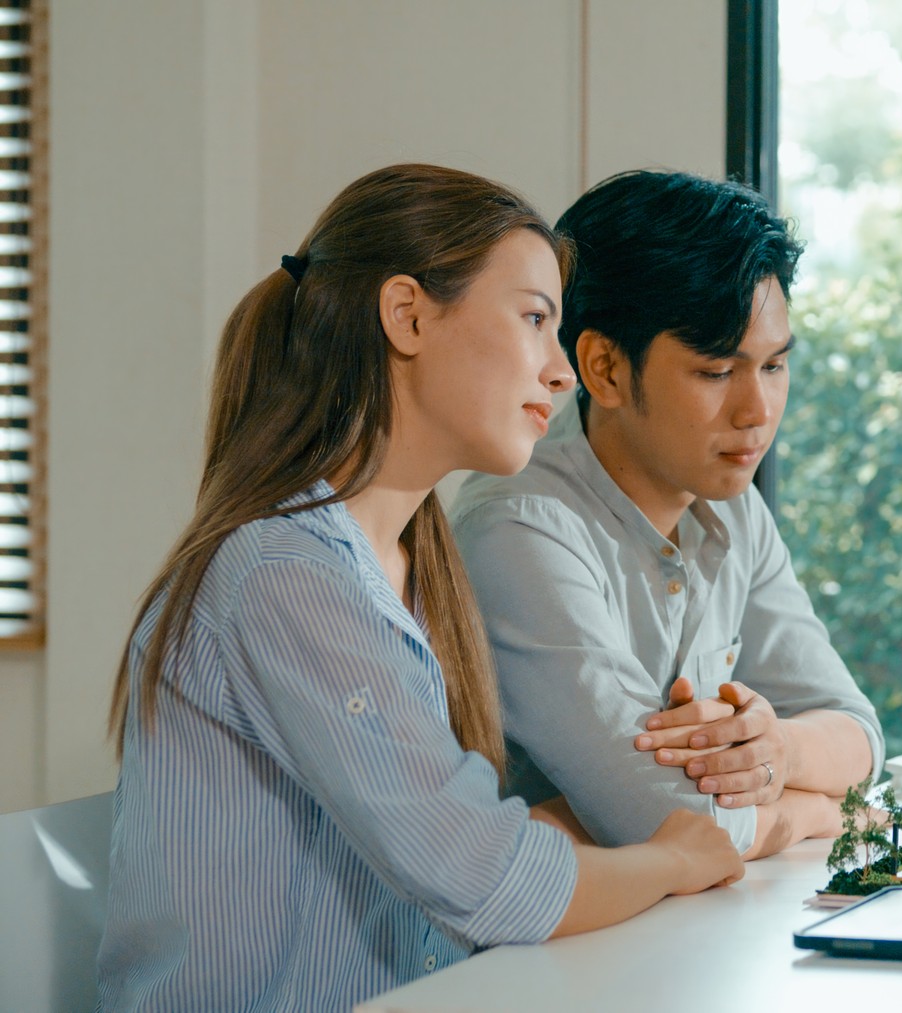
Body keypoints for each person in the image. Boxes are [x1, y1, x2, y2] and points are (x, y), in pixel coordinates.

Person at [98, 164, 744, 1011]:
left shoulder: (403, 564)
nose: (561, 372)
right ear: (407, 315)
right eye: (535, 320)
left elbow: (464, 842)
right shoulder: (284, 572)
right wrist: (677, 857)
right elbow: (486, 876)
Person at [450, 170, 882, 860]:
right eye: (716, 372)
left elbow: (858, 735)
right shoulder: (518, 526)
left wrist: (778, 750)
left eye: (774, 366)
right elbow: (670, 821)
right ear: (604, 368)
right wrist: (810, 812)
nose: (758, 411)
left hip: (679, 932)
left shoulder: (732, 506)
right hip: (536, 955)